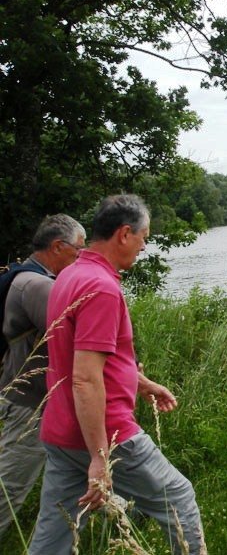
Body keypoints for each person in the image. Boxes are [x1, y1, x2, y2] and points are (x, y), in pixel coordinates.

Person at [29, 195, 205, 555]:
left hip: (60, 429)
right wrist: (99, 454)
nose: (144, 246)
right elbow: (84, 378)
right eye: (144, 237)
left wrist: (140, 383)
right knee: (180, 499)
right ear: (125, 234)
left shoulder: (69, 276)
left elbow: (79, 356)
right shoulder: (102, 288)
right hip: (107, 432)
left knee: (56, 531)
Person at [0, 215, 85, 538]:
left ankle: (108, 519)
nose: (81, 257)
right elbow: (79, 337)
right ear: (57, 246)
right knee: (11, 485)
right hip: (31, 404)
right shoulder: (38, 285)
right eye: (78, 249)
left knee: (85, 465)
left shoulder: (24, 276)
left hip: (45, 400)